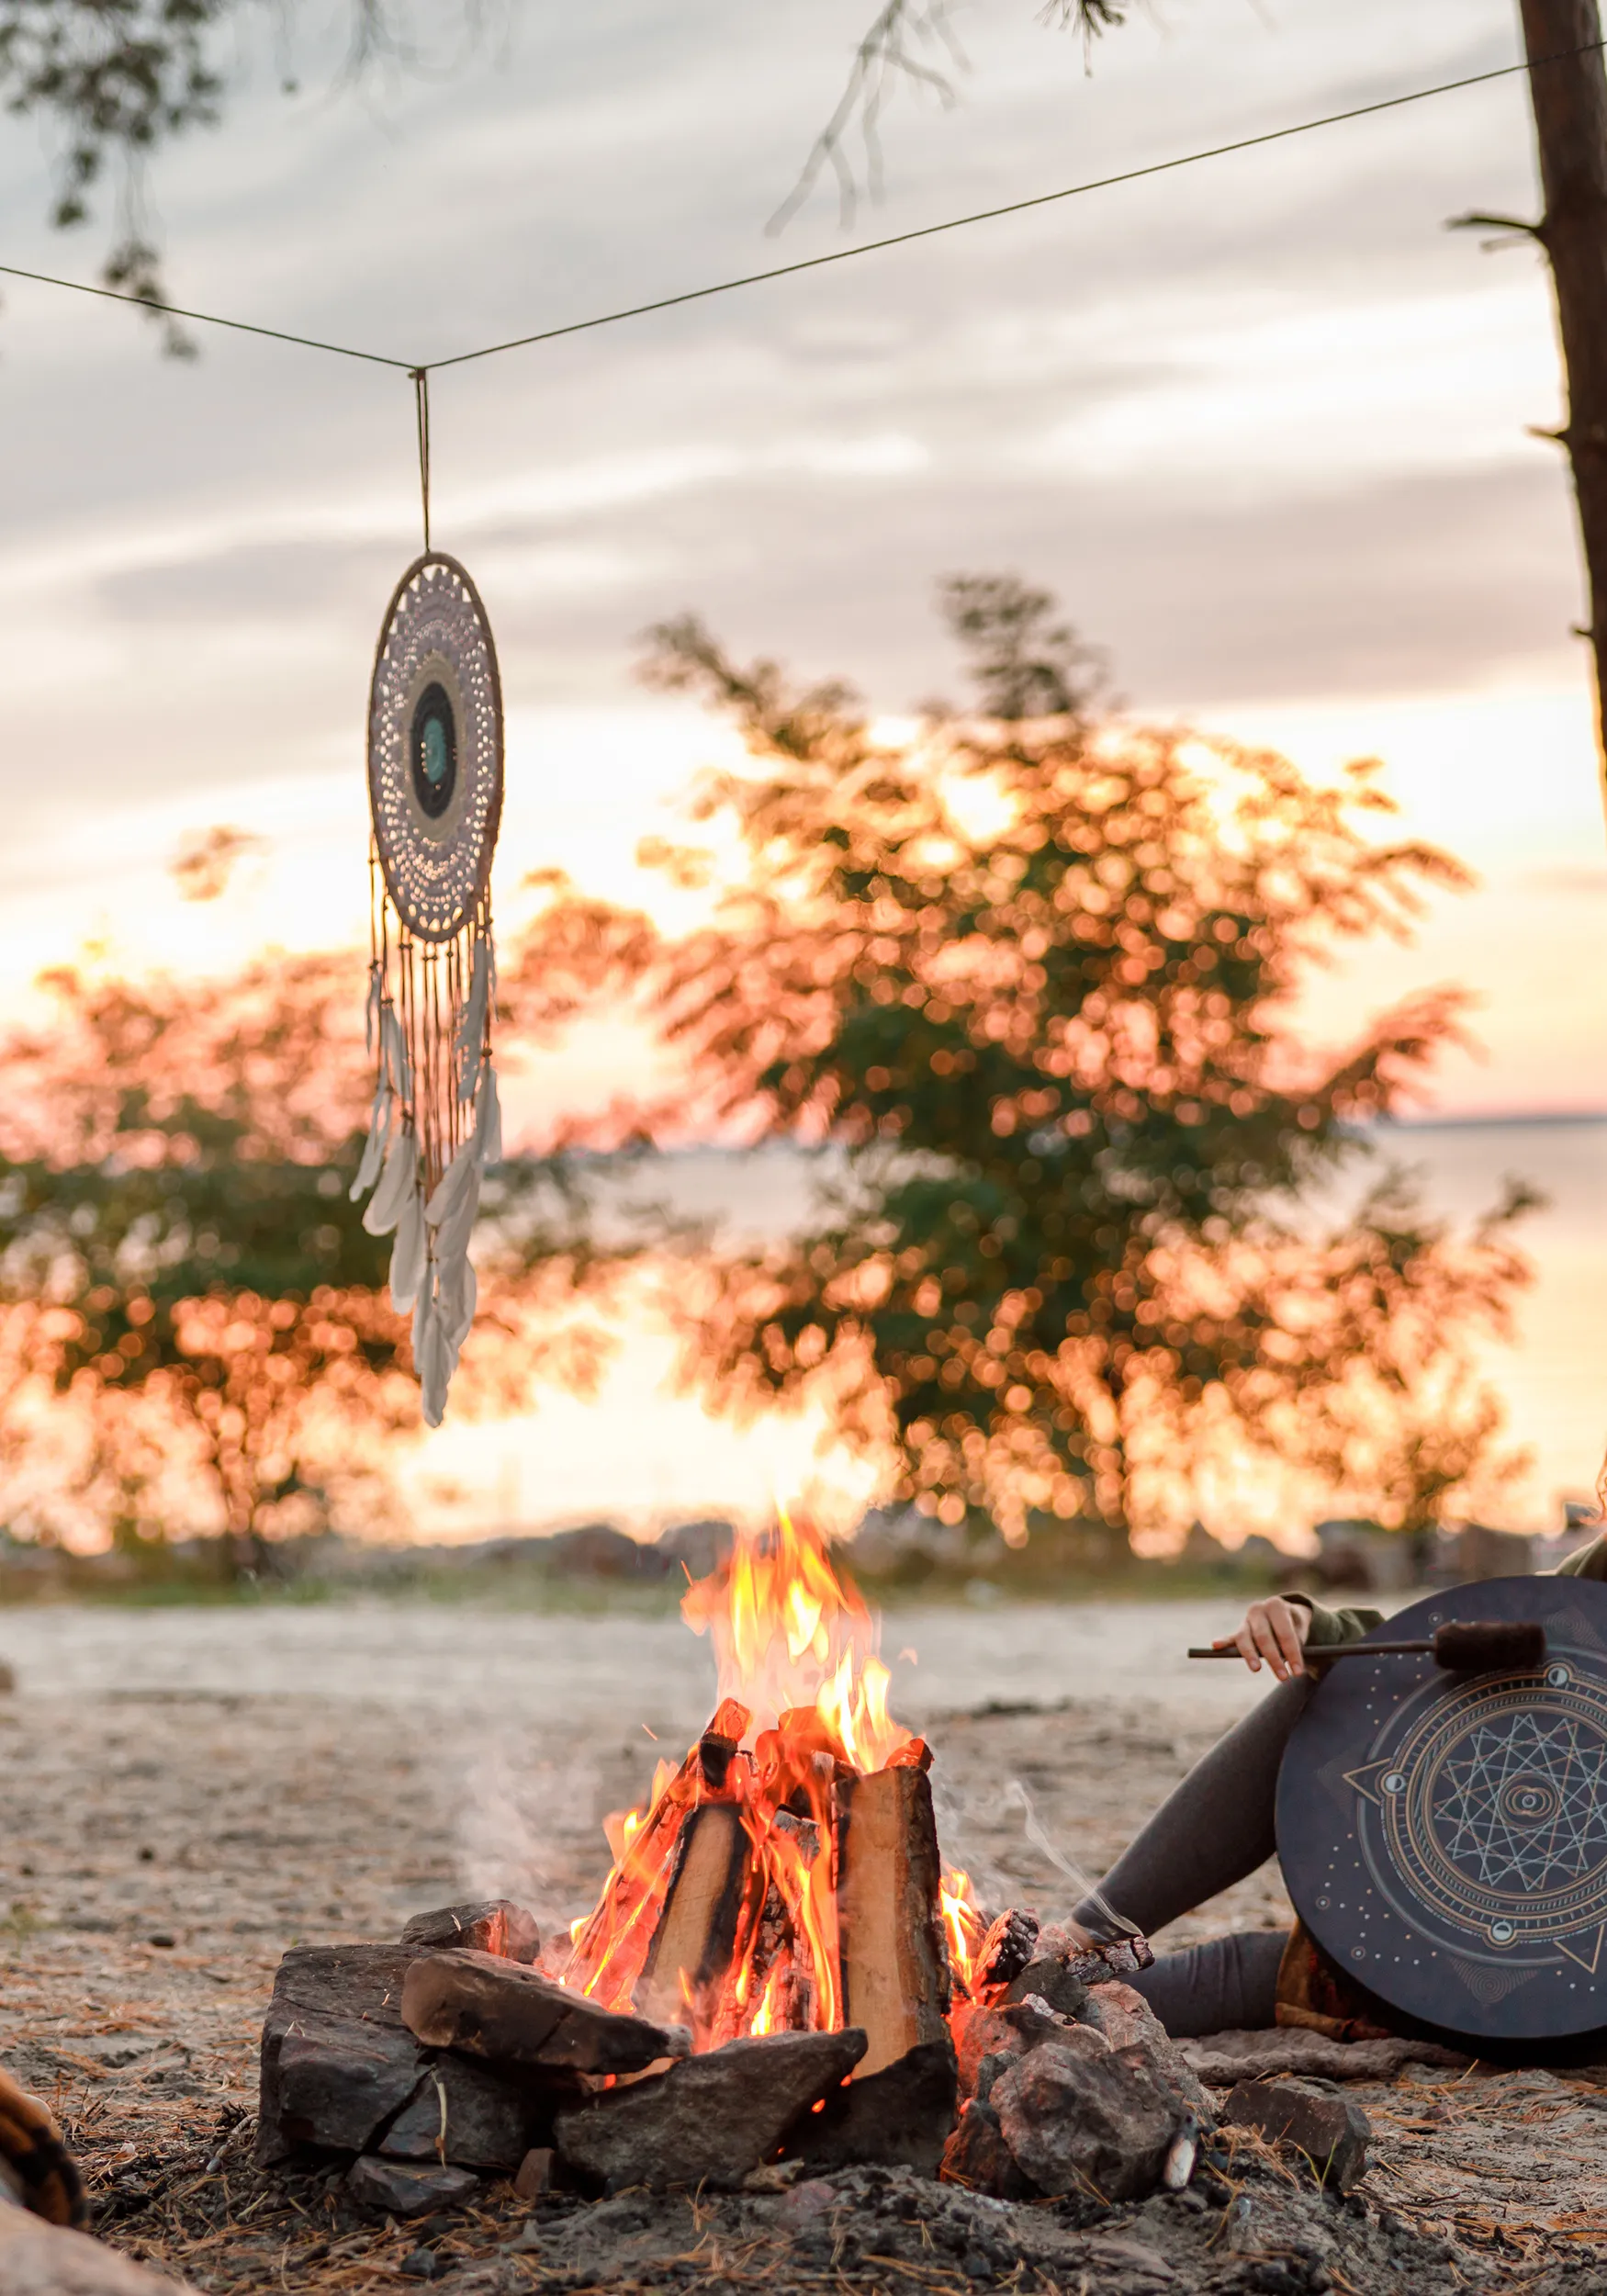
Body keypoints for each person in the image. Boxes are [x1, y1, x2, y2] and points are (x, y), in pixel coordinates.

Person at [1074, 1530, 1607, 2038]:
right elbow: (1464, 1647)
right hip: (1470, 1898)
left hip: (1544, 1979)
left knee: (1225, 1975)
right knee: (1329, 1693)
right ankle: (1077, 1942)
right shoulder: (1593, 1572)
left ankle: (1064, 1984)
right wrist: (1314, 1627)